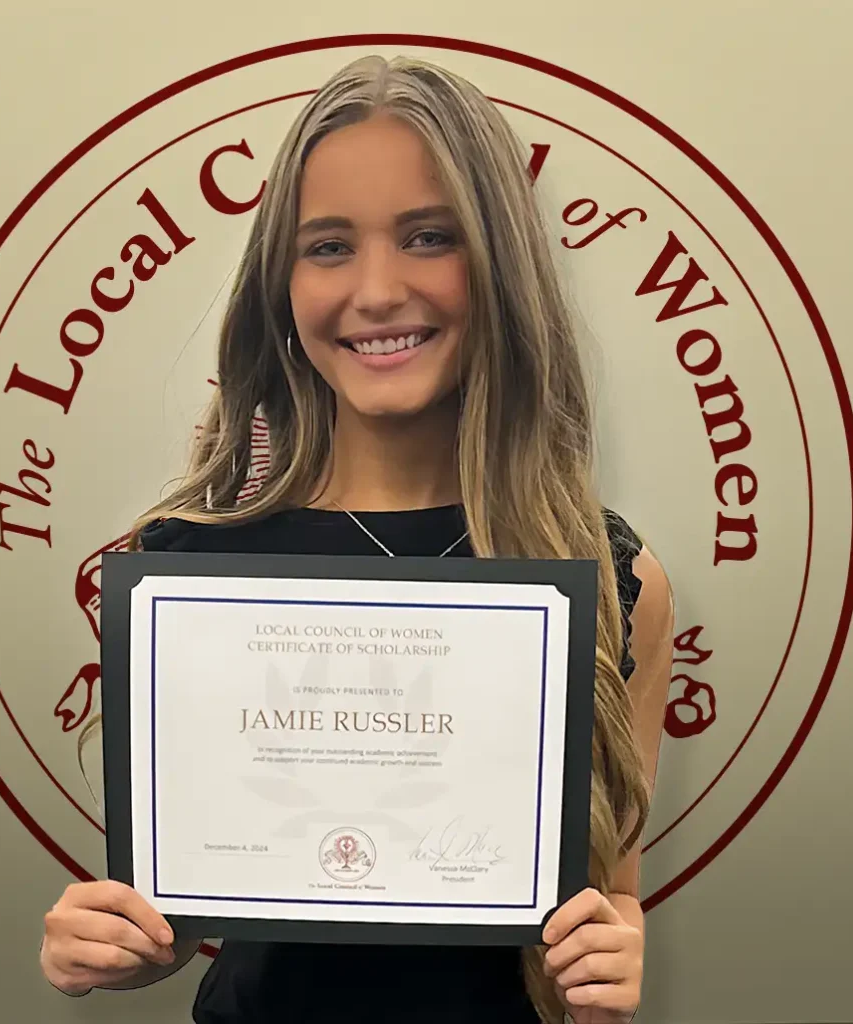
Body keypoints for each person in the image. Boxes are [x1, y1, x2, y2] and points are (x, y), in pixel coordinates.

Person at [40, 54, 674, 1024]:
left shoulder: (609, 579)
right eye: (328, 246)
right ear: (279, 283)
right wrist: (114, 944)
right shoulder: (179, 570)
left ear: (497, 263)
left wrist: (605, 966)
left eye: (428, 236)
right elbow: (178, 914)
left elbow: (603, 900)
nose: (377, 289)